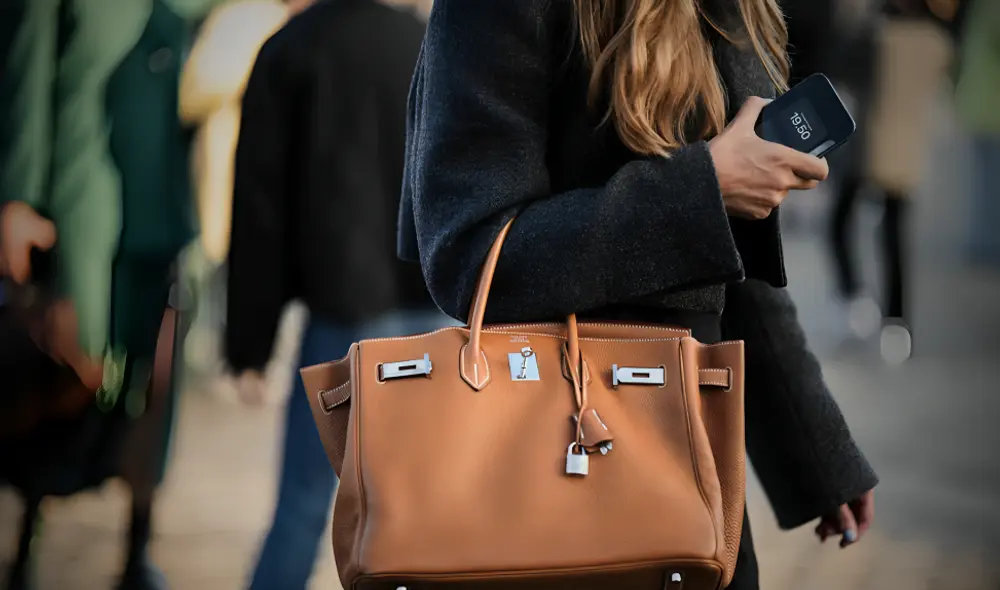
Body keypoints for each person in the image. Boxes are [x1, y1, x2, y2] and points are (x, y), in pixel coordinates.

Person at [400, 1, 878, 588]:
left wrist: (815, 450)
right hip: (556, 451)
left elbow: (734, 263)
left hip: (690, 448)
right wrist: (703, 189)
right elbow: (472, 253)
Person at [223, 1, 442, 587]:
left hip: (344, 318)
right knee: (421, 514)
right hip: (436, 311)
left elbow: (260, 214)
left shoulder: (292, 49)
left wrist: (249, 345)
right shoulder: (427, 43)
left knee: (302, 504)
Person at [829, 0, 959, 362]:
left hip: (867, 145)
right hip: (906, 152)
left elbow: (841, 65)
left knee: (840, 221)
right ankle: (897, 322)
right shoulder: (938, 42)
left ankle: (854, 296)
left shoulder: (875, 36)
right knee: (894, 237)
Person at [955, 0, 1000, 268]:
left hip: (978, 103)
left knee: (985, 181)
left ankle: (982, 241)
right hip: (992, 108)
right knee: (992, 183)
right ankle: (988, 245)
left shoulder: (979, 7)